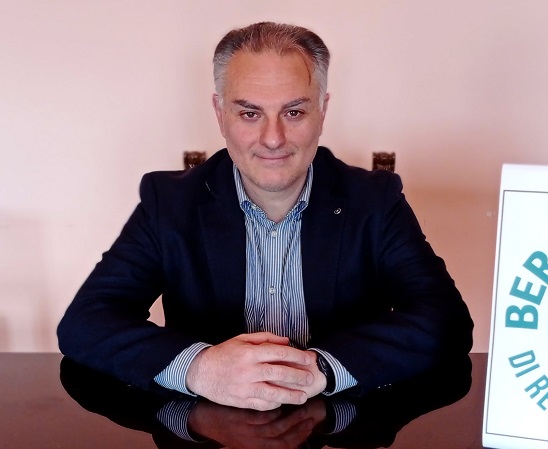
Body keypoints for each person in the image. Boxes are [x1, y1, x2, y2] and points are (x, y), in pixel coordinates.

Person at [57, 21, 473, 412]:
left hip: (340, 430)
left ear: (322, 111)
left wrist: (322, 370)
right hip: (209, 426)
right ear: (220, 113)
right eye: (250, 113)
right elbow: (85, 323)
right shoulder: (169, 202)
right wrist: (201, 368)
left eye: (293, 112)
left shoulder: (375, 201)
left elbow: (446, 322)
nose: (273, 139)